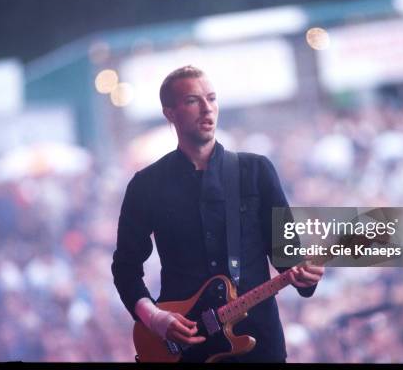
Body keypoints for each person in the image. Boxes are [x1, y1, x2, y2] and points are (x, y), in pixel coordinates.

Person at [111, 65, 324, 362]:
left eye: (212, 99)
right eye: (192, 101)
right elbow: (125, 268)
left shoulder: (256, 171)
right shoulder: (146, 185)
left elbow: (289, 259)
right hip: (184, 342)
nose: (207, 109)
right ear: (169, 112)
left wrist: (308, 276)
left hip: (258, 343)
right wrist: (154, 318)